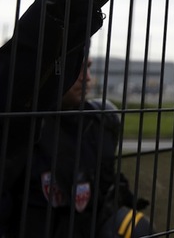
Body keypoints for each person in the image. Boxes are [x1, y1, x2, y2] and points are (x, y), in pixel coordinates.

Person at [0, 0, 140, 233]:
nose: (87, 78)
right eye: (81, 66)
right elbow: (14, 89)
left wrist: (68, 11)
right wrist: (63, 10)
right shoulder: (27, 129)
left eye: (90, 67)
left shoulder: (97, 127)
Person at [5, 59, 152, 238]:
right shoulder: (19, 128)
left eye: (88, 68)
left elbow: (106, 184)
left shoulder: (100, 123)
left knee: (139, 229)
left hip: (92, 227)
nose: (87, 78)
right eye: (76, 68)